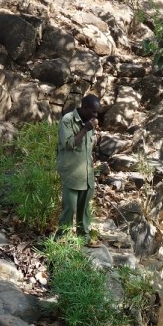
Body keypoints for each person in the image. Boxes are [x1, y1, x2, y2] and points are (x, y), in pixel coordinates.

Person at [56, 94, 100, 239]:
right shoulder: (68, 120)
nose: (95, 115)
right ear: (84, 107)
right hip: (72, 173)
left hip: (87, 173)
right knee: (69, 208)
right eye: (93, 111)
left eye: (96, 112)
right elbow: (68, 144)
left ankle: (84, 237)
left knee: (85, 209)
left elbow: (88, 146)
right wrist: (84, 130)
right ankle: (62, 239)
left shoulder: (89, 121)